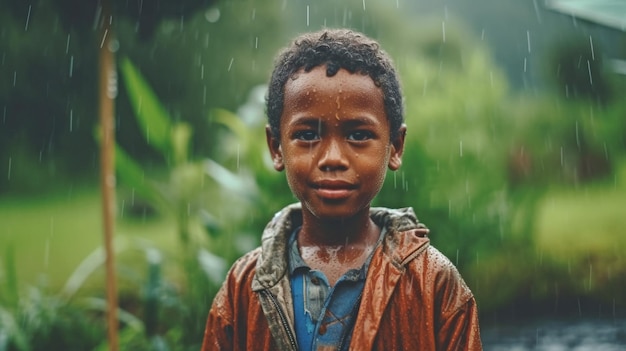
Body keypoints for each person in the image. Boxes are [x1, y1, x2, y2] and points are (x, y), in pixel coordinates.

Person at [201, 28, 482, 351]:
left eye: (358, 135)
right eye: (307, 135)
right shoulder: (243, 287)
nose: (332, 158)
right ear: (276, 147)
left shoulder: (433, 283)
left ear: (396, 147)